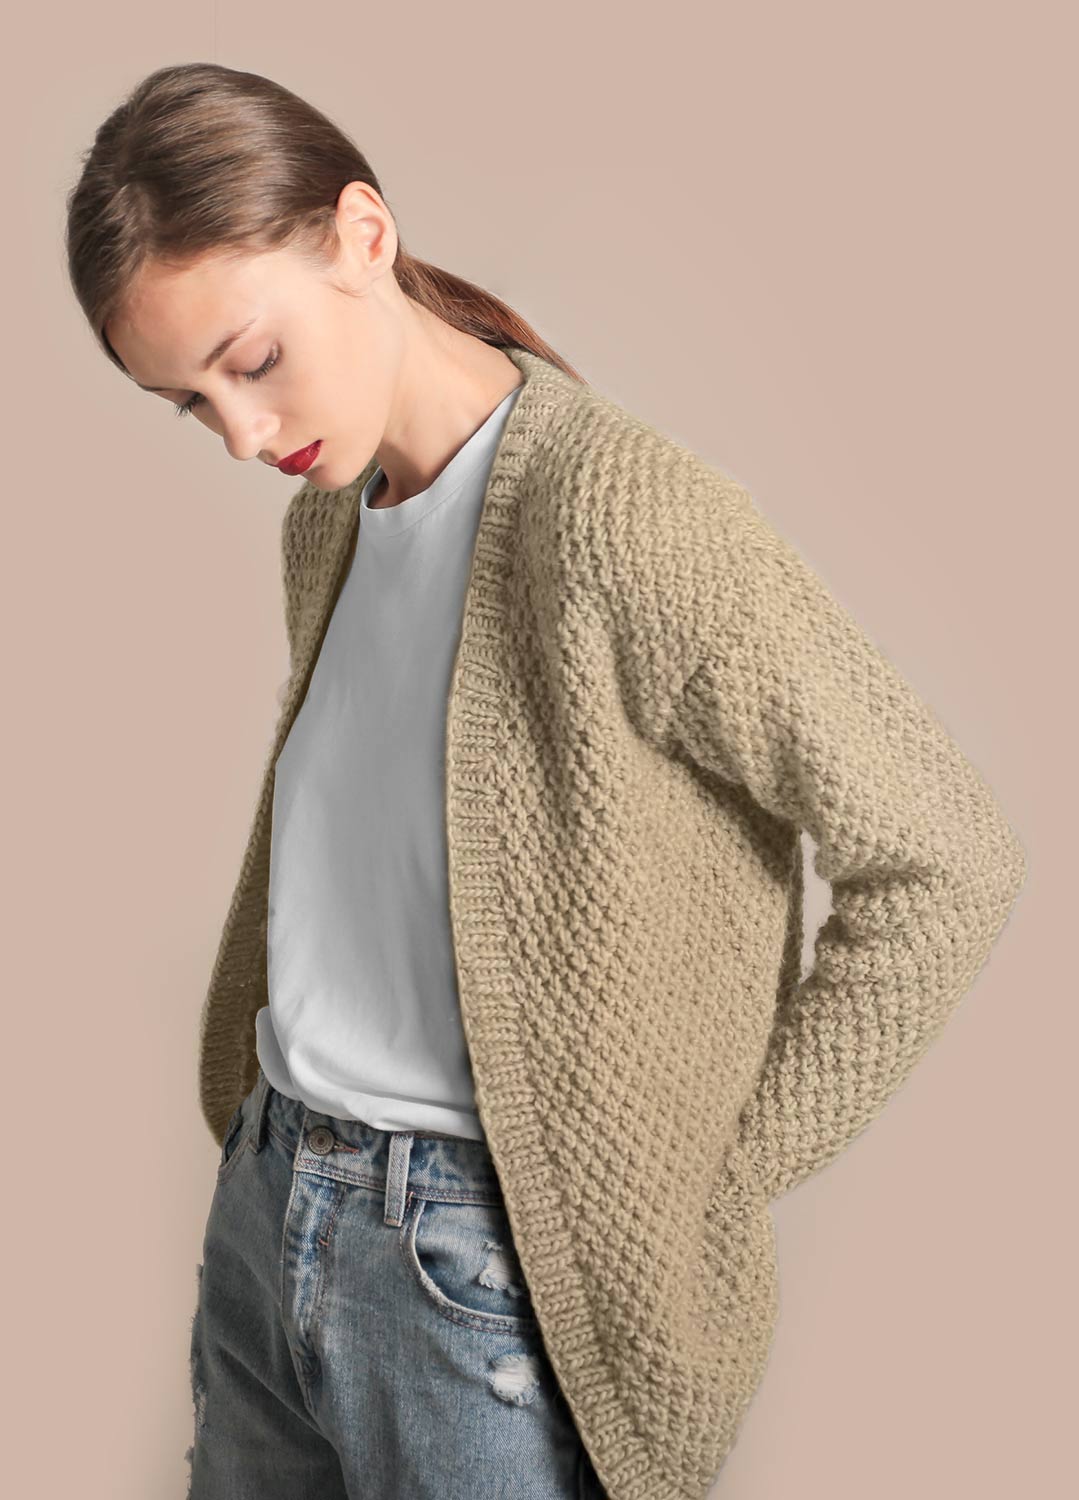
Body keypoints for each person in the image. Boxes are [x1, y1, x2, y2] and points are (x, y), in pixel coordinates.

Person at [65, 63, 1027, 1500]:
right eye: (189, 404)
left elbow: (946, 853)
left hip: (474, 1282)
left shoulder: (619, 518)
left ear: (363, 236)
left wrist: (703, 1171)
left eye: (251, 361)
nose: (245, 437)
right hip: (272, 1211)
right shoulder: (329, 523)